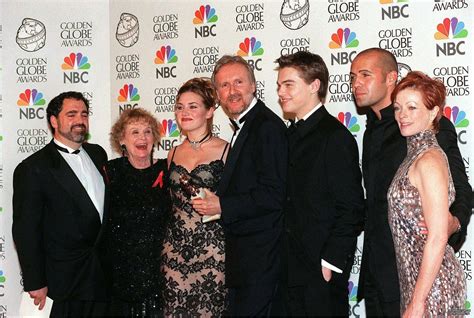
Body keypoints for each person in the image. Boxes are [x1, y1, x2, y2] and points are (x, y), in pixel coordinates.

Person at [350, 48, 471, 317]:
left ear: (391, 78)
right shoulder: (370, 133)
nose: (356, 83)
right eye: (352, 76)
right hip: (376, 272)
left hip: (415, 271)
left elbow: (461, 189)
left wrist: (453, 223)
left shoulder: (425, 129)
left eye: (365, 75)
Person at [193, 55, 288, 316]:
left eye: (238, 82)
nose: (232, 91)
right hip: (245, 259)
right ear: (217, 94)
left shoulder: (267, 127)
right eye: (224, 85)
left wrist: (222, 204)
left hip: (261, 259)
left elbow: (274, 194)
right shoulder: (245, 127)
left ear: (253, 86)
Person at [276, 51, 364, 316]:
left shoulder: (335, 137)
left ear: (315, 85)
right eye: (279, 85)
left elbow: (352, 208)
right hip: (285, 272)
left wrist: (330, 262)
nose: (281, 92)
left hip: (319, 278)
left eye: (288, 84)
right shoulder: (287, 136)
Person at [12, 91, 109, 317]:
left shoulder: (98, 154)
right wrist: (35, 282)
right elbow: (26, 230)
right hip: (62, 282)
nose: (80, 120)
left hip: (101, 278)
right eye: (71, 114)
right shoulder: (33, 167)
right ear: (54, 121)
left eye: (84, 114)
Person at [388, 71, 466, 316]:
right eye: (398, 108)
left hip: (434, 287)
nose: (402, 115)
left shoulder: (429, 159)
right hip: (419, 281)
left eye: (412, 107)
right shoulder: (414, 154)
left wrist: (418, 301)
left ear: (433, 112)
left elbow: (437, 237)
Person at [161, 78, 229, 316]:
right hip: (174, 250)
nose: (184, 112)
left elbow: (236, 201)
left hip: (213, 249)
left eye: (193, 106)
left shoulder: (226, 150)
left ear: (210, 111)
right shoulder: (173, 153)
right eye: (180, 106)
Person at [105, 108, 170, 316]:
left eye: (148, 131)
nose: (142, 137)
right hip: (120, 273)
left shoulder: (167, 170)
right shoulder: (109, 172)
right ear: (121, 140)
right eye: (135, 132)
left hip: (161, 272)